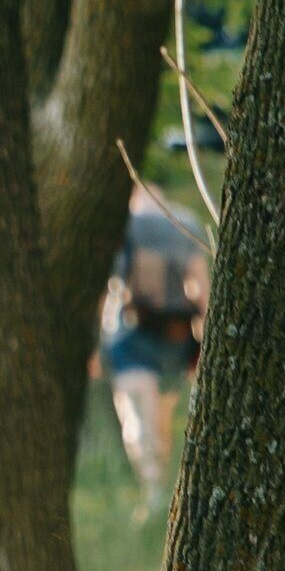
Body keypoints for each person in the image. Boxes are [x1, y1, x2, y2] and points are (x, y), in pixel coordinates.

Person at [103, 182, 211, 508]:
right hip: (175, 339)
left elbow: (108, 291)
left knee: (139, 415)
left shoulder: (123, 225)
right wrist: (205, 342)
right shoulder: (185, 223)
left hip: (131, 336)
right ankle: (166, 494)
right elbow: (201, 290)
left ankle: (154, 493)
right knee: (161, 418)